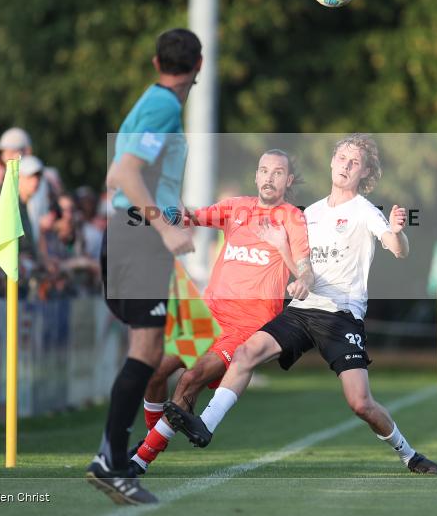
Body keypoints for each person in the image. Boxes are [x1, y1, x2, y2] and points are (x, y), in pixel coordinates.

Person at [165, 134, 437, 476]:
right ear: (331, 162)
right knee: (246, 353)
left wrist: (398, 231)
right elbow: (298, 263)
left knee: (360, 403)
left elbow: (398, 249)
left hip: (340, 317)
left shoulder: (365, 211)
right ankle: (205, 424)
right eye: (342, 158)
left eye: (354, 162)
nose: (345, 166)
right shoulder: (308, 213)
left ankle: (408, 453)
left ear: (364, 172)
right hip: (301, 309)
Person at [129, 149, 312, 477]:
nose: (269, 177)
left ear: (289, 180)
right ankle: (151, 440)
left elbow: (304, 271)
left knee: (190, 379)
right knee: (155, 372)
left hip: (246, 325)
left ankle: (140, 460)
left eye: (278, 172)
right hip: (208, 315)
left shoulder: (293, 219)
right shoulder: (236, 207)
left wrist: (288, 256)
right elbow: (189, 217)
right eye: (264, 170)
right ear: (256, 176)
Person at [86, 28, 202, 506]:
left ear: (157, 62)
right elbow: (124, 173)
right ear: (198, 65)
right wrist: (164, 227)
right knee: (147, 351)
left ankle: (110, 460)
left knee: (148, 351)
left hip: (131, 233)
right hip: (139, 236)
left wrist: (172, 212)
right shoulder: (165, 106)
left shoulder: (151, 102)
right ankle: (110, 462)